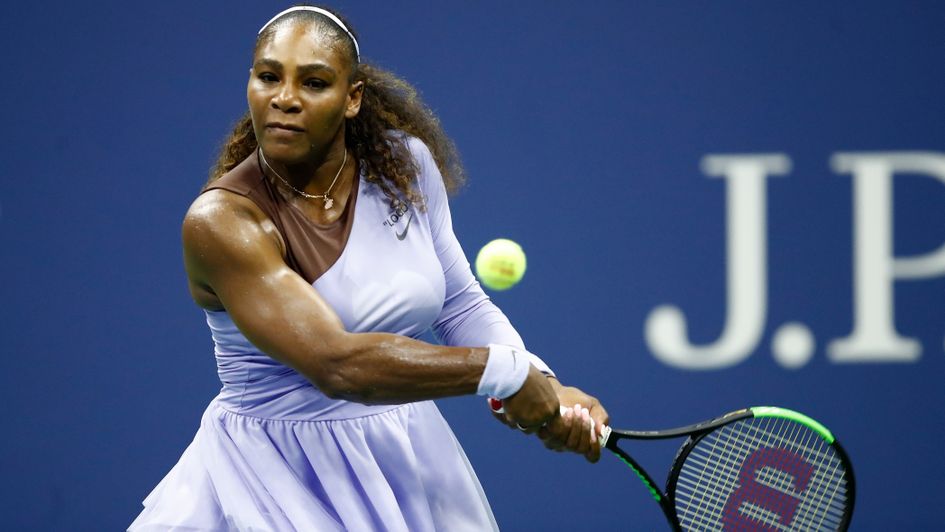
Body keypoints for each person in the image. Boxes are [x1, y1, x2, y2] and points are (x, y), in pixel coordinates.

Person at [130, 5, 609, 531]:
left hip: (407, 460)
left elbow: (458, 302)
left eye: (313, 82)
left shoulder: (404, 165)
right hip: (272, 478)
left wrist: (541, 379)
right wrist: (506, 374)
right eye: (268, 76)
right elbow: (339, 366)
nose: (284, 98)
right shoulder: (222, 221)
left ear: (351, 97)